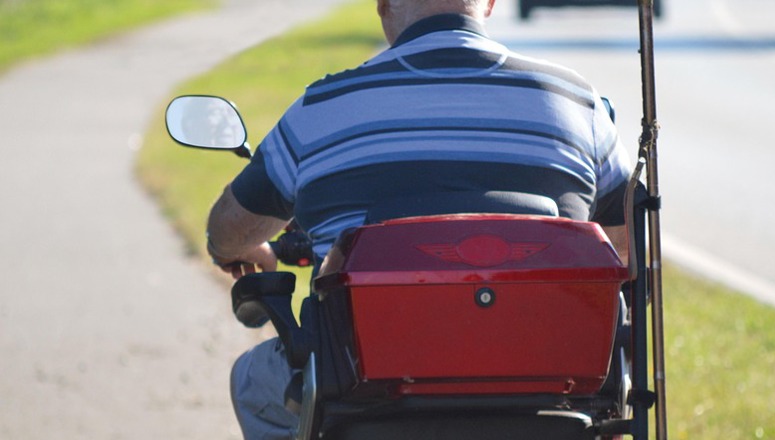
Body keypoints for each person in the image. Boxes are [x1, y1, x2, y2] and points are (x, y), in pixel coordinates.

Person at [205, 0, 632, 437]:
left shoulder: (322, 109)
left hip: (360, 397)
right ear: (488, 4)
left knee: (253, 381)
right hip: (554, 391)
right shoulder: (577, 102)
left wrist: (238, 249)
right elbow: (626, 251)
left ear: (383, 4)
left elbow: (228, 227)